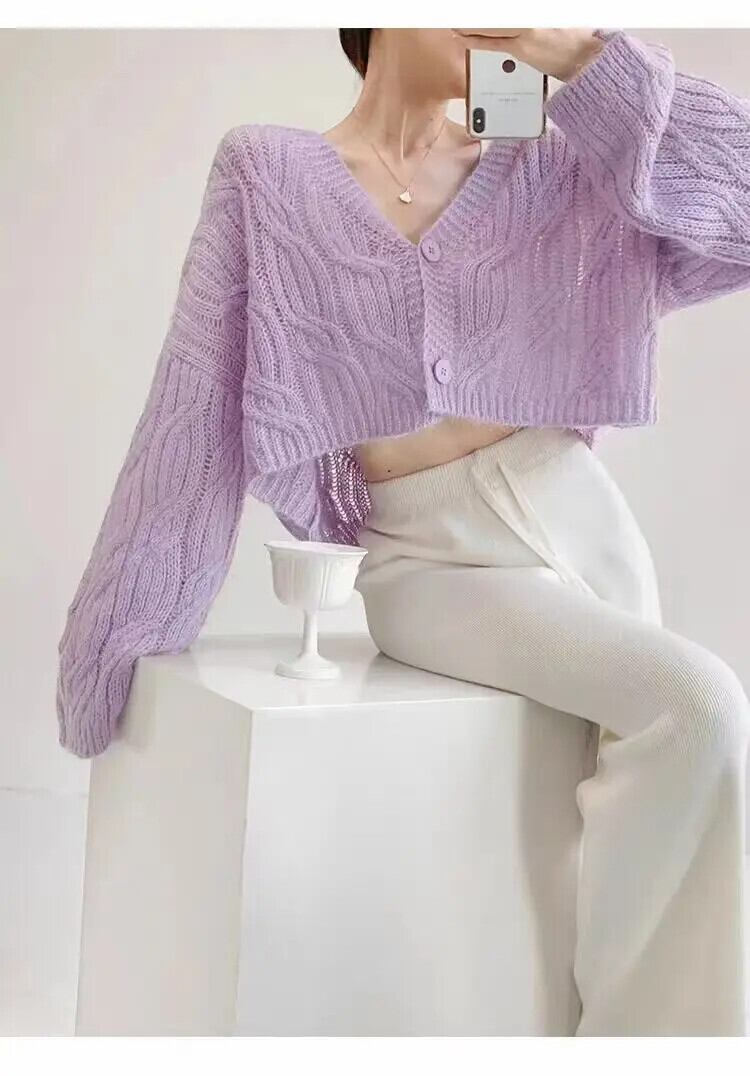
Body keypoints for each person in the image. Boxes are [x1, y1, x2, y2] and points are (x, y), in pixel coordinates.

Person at [56, 28, 750, 1035]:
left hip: (588, 526)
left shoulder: (553, 160)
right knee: (699, 708)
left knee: (597, 830)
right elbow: (192, 416)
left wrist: (585, 57)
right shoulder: (271, 174)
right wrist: (114, 646)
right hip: (431, 564)